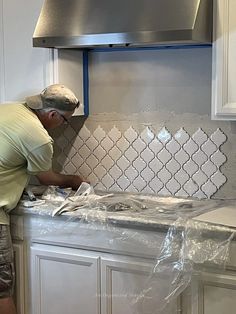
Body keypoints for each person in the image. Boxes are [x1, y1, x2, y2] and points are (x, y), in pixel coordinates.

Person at [0, 84, 86, 314]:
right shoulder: (39, 138)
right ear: (52, 115)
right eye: (65, 120)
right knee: (1, 291)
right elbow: (46, 177)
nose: (63, 125)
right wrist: (73, 180)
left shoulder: (8, 110)